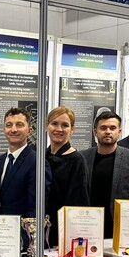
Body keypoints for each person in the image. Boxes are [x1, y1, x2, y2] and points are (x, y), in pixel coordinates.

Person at [78, 110, 129, 238]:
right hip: (89, 223)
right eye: (103, 128)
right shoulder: (83, 157)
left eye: (112, 128)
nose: (108, 132)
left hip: (122, 225)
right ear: (95, 132)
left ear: (119, 131)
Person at [0, 107, 51, 219]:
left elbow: (36, 208)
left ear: (29, 130)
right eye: (9, 125)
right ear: (4, 130)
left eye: (19, 125)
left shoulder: (37, 163)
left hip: (22, 228)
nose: (13, 129)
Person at [45, 106, 89, 248]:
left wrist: (69, 239)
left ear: (72, 129)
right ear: (47, 126)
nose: (59, 129)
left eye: (65, 125)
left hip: (62, 231)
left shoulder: (77, 160)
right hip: (41, 226)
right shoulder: (41, 157)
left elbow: (78, 202)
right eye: (54, 123)